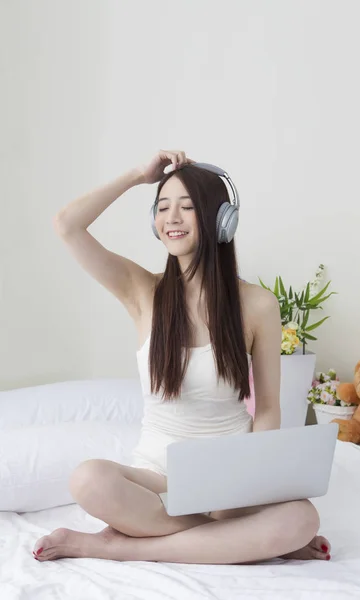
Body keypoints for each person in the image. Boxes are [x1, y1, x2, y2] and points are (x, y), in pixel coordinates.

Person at [32, 149, 331, 564]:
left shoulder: (258, 305)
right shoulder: (141, 292)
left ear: (221, 219)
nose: (171, 217)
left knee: (301, 519)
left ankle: (116, 546)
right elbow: (67, 225)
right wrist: (139, 175)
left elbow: (267, 411)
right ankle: (237, 542)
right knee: (88, 479)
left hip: (231, 480)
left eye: (187, 207)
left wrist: (246, 484)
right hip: (156, 479)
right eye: (163, 207)